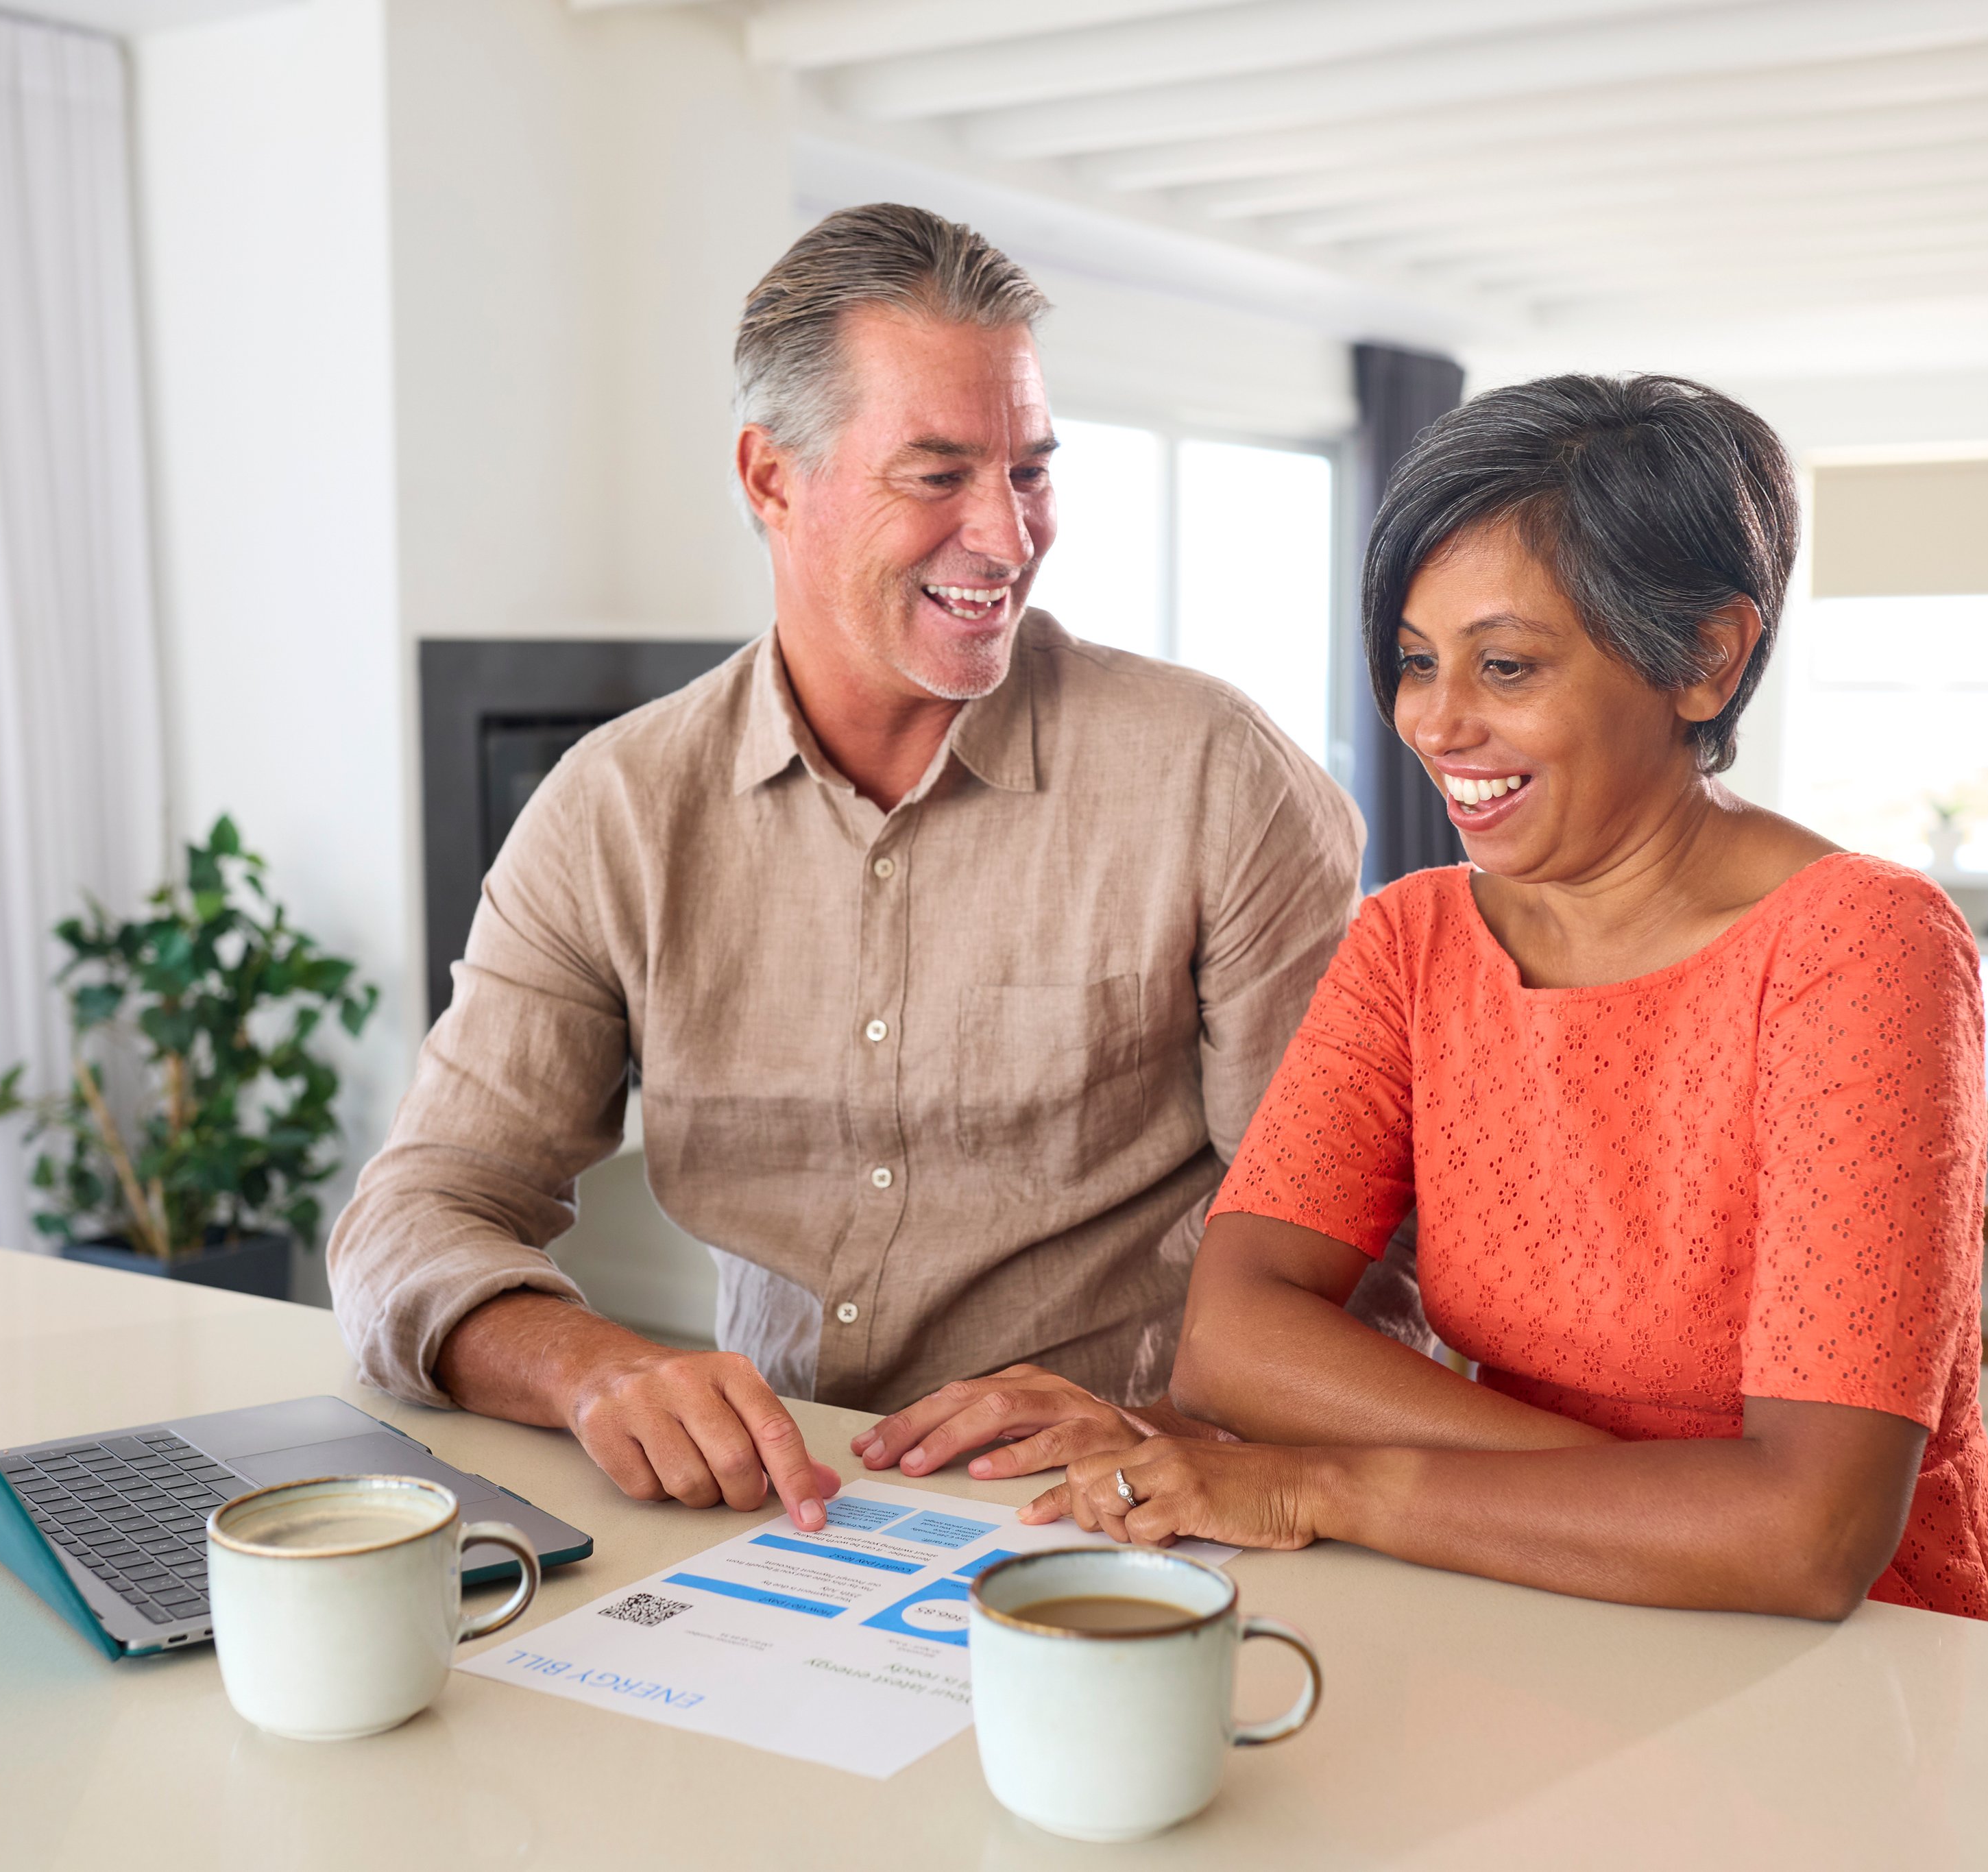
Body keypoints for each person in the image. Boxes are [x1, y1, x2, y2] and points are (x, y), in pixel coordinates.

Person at [328, 204, 1370, 1535]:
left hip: (1120, 1511)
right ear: (771, 479)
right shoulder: (617, 809)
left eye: (1030, 471)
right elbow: (411, 1216)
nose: (1006, 537)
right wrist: (594, 1369)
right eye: (937, 474)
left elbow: (1345, 1259)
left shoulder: (1214, 775)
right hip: (774, 1518)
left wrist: (1168, 1424)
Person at [1025, 374, 1988, 1630]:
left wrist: (1322, 1485)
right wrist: (1701, 1511)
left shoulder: (1863, 947)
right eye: (1416, 662)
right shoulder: (1412, 939)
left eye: (1505, 664)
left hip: (1870, 1658)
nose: (1436, 721)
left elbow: (1812, 1544)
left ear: (1705, 660)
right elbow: (1233, 1341)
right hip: (1529, 1601)